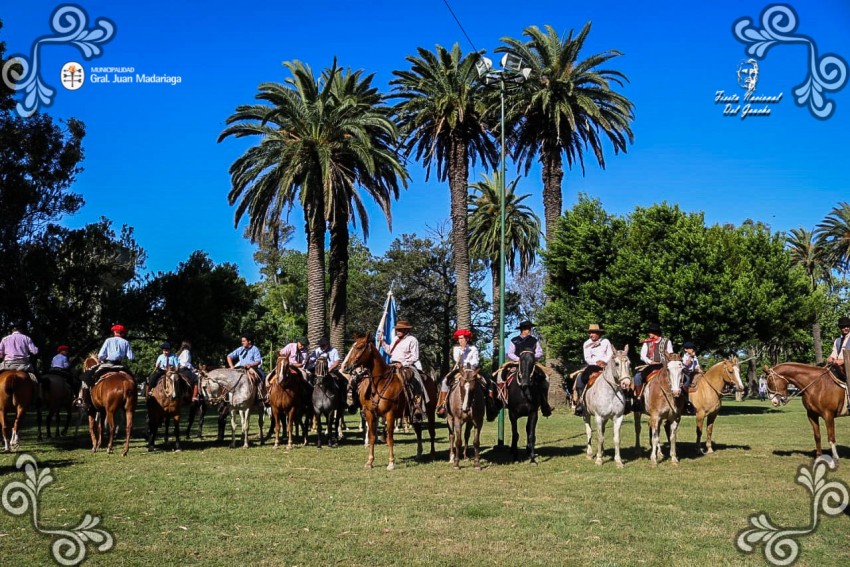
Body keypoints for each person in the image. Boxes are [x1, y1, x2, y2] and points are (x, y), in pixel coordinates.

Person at [378, 320, 429, 418]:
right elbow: (389, 351)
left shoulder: (412, 340)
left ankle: (416, 404)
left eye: (400, 329)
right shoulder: (395, 339)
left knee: (413, 380)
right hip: (392, 364)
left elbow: (415, 356)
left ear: (406, 330)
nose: (398, 331)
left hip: (406, 366)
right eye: (397, 329)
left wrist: (403, 364)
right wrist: (382, 342)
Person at [78, 324, 135, 410]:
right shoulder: (126, 342)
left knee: (86, 377)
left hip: (107, 364)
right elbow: (131, 357)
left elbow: (101, 355)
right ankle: (133, 401)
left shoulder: (108, 340)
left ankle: (85, 402)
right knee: (132, 379)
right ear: (123, 333)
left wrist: (102, 358)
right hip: (120, 365)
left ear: (114, 332)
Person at [503, 320, 552, 417]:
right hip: (517, 363)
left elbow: (539, 352)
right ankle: (503, 400)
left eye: (529, 328)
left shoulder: (534, 340)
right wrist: (520, 359)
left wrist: (532, 357)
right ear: (521, 330)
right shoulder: (514, 340)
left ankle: (544, 404)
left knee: (545, 377)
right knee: (503, 376)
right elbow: (510, 353)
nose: (529, 330)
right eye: (526, 328)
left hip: (531, 364)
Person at [437, 329, 480, 418]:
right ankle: (442, 404)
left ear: (467, 339)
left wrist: (470, 367)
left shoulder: (473, 348)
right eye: (459, 339)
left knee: (486, 381)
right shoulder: (456, 348)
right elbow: (457, 359)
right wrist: (462, 351)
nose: (460, 340)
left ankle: (489, 405)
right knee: (445, 381)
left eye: (462, 338)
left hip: (472, 370)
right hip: (460, 370)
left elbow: (476, 361)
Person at [573, 324, 613, 416]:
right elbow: (587, 357)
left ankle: (625, 401)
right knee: (581, 378)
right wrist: (596, 362)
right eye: (590, 333)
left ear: (599, 333)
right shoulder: (586, 343)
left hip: (607, 365)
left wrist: (604, 361)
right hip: (593, 366)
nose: (591, 335)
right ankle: (581, 402)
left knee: (619, 375)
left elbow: (610, 353)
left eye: (593, 333)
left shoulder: (606, 341)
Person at [632, 323, 673, 401]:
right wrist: (650, 362)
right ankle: (638, 398)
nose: (649, 334)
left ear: (655, 333)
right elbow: (642, 356)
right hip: (651, 367)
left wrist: (664, 362)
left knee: (676, 376)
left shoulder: (667, 342)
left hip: (664, 367)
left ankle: (682, 399)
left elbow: (670, 354)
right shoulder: (646, 342)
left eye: (650, 332)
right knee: (637, 377)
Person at [0, 322, 40, 393]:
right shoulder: (26, 338)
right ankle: (37, 397)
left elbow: (0, 354)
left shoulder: (4, 339)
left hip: (8, 365)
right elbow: (35, 351)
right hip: (24, 365)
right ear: (21, 329)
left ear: (12, 330)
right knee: (36, 380)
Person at [227, 333, 265, 402]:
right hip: (240, 368)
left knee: (259, 376)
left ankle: (259, 394)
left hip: (251, 368)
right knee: (228, 379)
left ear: (249, 341)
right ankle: (226, 399)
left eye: (244, 341)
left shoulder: (255, 349)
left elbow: (258, 361)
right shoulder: (240, 349)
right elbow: (229, 356)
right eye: (242, 341)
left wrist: (250, 365)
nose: (242, 343)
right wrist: (232, 367)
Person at [827, 316, 850, 382]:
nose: (846, 328)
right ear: (840, 328)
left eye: (848, 326)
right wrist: (830, 358)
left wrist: (843, 361)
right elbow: (834, 353)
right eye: (843, 327)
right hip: (838, 366)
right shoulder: (837, 340)